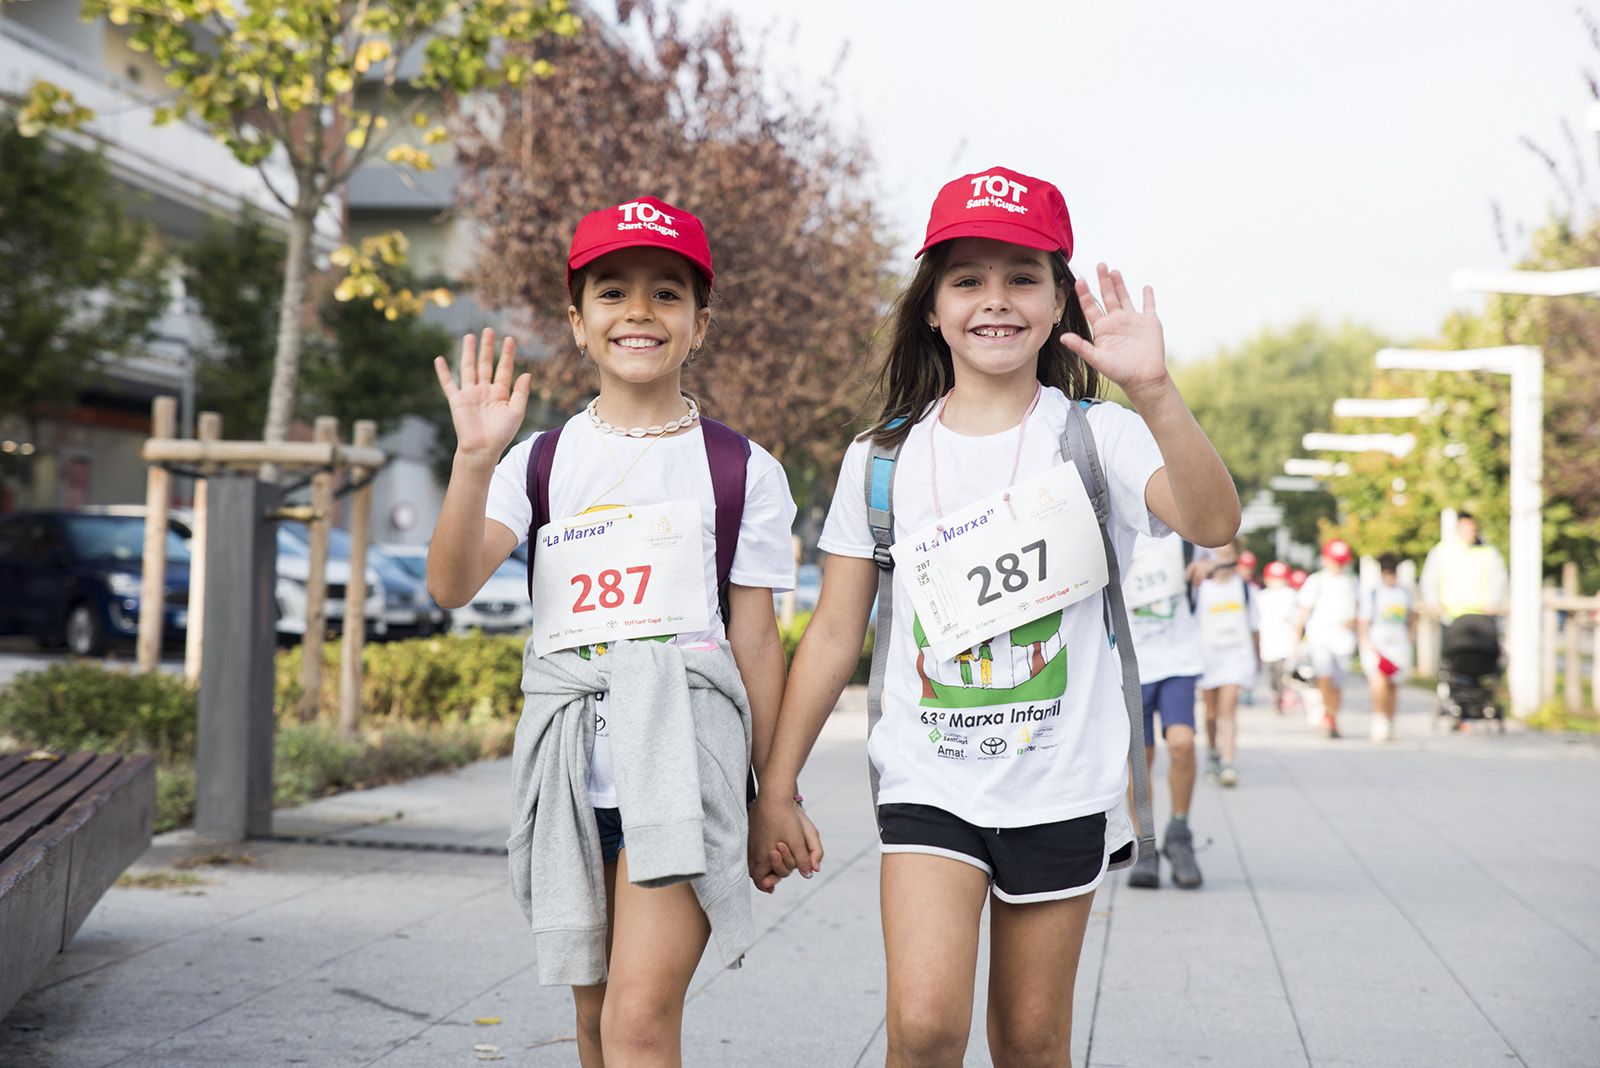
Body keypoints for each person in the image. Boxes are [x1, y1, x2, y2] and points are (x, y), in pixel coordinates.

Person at [749, 166, 1240, 1066]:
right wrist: (775, 786)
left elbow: (1213, 522)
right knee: (928, 1028)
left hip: (1065, 779)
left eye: (1022, 277)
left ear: (1059, 302)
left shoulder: (1102, 435)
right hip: (929, 779)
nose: (995, 301)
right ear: (931, 305)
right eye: (967, 279)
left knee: (1029, 1041)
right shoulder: (882, 458)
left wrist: (1157, 391)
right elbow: (831, 634)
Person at [425, 196, 812, 1068]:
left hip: (685, 765)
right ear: (577, 318)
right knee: (597, 1030)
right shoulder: (542, 459)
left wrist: (772, 791)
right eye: (612, 291)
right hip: (570, 773)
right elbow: (450, 584)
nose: (639, 311)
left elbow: (756, 640)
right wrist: (473, 461)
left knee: (640, 1022)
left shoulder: (742, 468)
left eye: (667, 293)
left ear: (700, 321)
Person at [1123, 531, 1208, 888]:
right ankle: (1147, 844)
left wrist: (1205, 565)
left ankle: (1179, 831)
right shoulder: (1120, 529)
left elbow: (1218, 548)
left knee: (1182, 743)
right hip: (1132, 661)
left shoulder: (1185, 531)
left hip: (1178, 658)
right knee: (1140, 760)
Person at [1195, 540, 1258, 786]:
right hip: (1208, 657)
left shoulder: (1243, 588)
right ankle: (1212, 751)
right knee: (1211, 714)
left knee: (1227, 710)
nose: (1222, 560)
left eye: (1227, 554)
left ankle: (1228, 762)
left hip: (1235, 656)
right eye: (1217, 554)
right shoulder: (1202, 588)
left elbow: (1254, 626)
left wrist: (1257, 657)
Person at [1293, 539, 1360, 739]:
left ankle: (1333, 717)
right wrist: (1296, 639)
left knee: (1337, 682)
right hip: (1320, 637)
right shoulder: (1317, 580)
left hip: (1343, 640)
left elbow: (1359, 609)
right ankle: (1326, 715)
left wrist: (1353, 622)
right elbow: (1303, 611)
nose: (1338, 565)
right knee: (1324, 676)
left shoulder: (1351, 581)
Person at [1359, 552, 1415, 741]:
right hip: (1378, 644)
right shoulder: (1373, 593)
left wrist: (1411, 634)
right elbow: (1364, 619)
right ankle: (1379, 718)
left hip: (1399, 646)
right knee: (1379, 683)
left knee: (1393, 685)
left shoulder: (1404, 593)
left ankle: (1391, 720)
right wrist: (1365, 641)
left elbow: (1411, 616)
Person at [1419, 511, 1507, 624]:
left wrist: (1494, 602)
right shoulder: (1442, 551)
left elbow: (1499, 579)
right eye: (1466, 530)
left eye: (1472, 530)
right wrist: (1433, 603)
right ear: (1457, 530)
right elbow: (1430, 579)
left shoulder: (1489, 552)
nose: (1469, 534)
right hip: (1450, 617)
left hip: (1482, 615)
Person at [1256, 560, 1300, 714]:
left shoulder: (1291, 595)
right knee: (1273, 671)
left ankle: (1282, 696)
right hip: (1268, 639)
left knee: (1283, 671)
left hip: (1285, 639)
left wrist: (1297, 640)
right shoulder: (1261, 596)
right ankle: (1275, 694)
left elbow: (1297, 619)